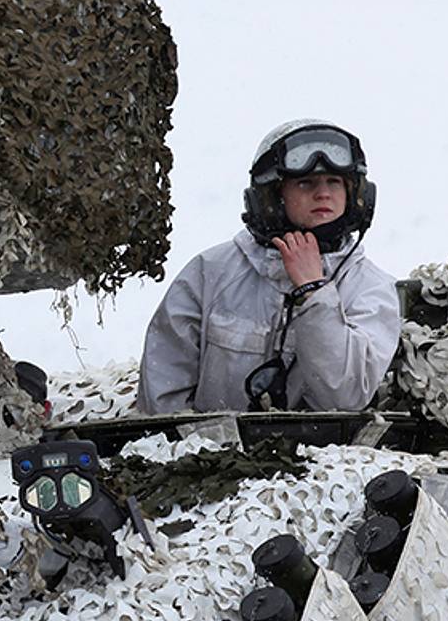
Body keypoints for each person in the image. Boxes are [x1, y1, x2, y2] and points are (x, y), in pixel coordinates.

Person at [136, 120, 400, 414]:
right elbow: (162, 398)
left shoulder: (370, 288)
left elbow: (346, 396)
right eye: (306, 182)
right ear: (274, 195)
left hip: (324, 458)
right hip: (210, 456)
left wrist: (315, 293)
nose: (323, 194)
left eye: (334, 182)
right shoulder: (210, 272)